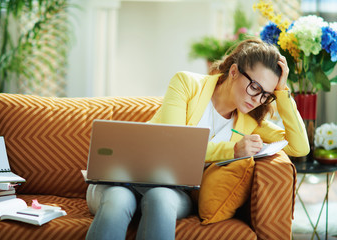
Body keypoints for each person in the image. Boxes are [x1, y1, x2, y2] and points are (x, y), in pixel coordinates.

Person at [85, 38, 310, 240]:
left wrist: (282, 92)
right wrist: (232, 150)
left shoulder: (251, 121)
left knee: (161, 199)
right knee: (119, 200)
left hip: (171, 190)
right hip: (120, 177)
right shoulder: (186, 84)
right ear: (234, 72)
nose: (257, 99)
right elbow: (174, 146)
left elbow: (299, 147)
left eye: (265, 95)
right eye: (254, 87)